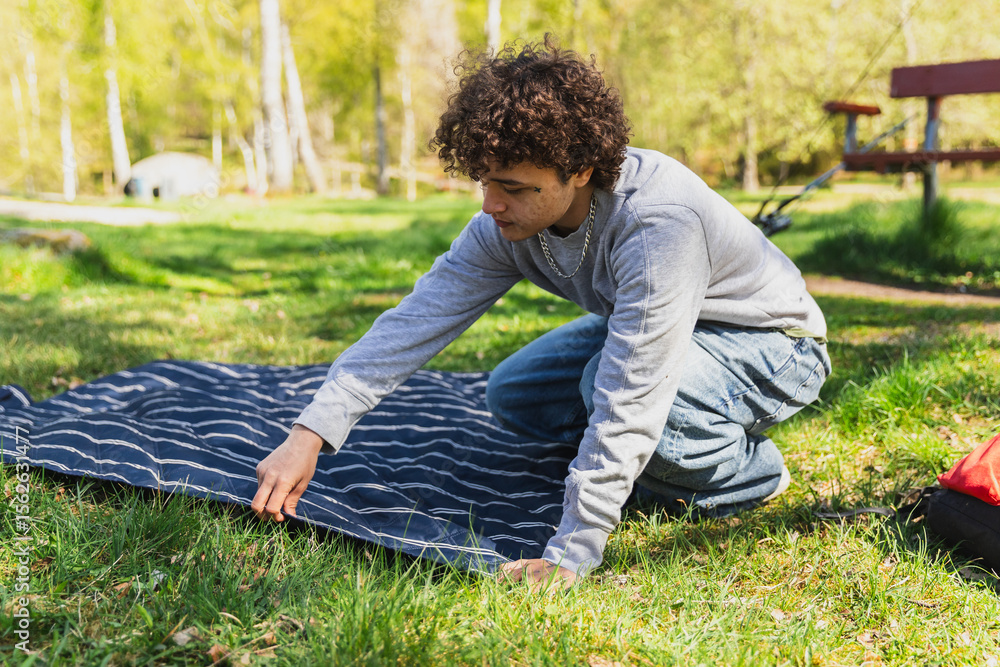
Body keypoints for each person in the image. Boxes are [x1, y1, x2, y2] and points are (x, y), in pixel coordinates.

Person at [251, 37, 830, 589]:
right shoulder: (502, 225)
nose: (490, 204)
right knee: (513, 393)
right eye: (484, 182)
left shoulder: (658, 224)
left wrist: (572, 551)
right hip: (658, 321)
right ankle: (647, 461)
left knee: (621, 397)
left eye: (512, 187)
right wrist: (310, 433)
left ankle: (751, 473)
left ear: (580, 170)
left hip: (773, 342)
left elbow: (632, 395)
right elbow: (415, 322)